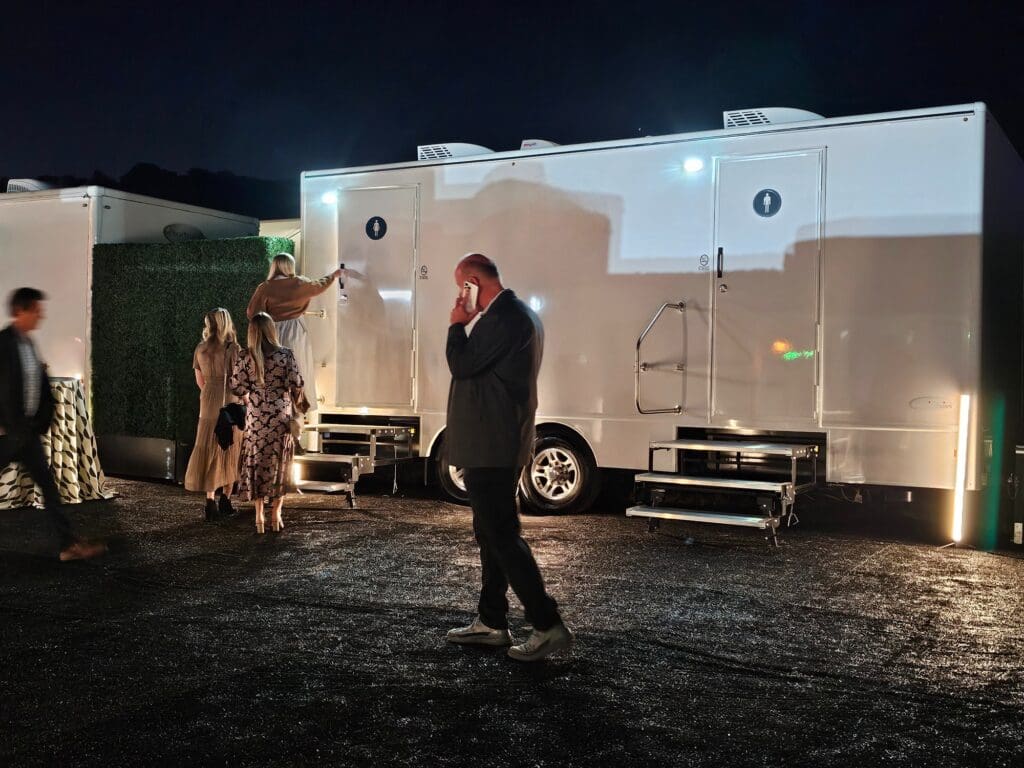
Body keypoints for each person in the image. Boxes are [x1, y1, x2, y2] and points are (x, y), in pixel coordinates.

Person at [444, 254, 572, 662]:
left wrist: (456, 325)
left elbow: (461, 364)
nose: (460, 296)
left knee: (501, 534)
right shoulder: (518, 315)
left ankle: (547, 623)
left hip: (492, 444)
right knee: (491, 533)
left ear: (473, 282)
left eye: (462, 287)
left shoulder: (504, 317)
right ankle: (492, 620)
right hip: (497, 441)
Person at [0, 288, 106, 561]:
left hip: (26, 433)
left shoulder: (27, 344)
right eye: (36, 310)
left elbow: (36, 386)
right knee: (48, 486)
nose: (41, 315)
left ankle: (68, 545)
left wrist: (39, 421)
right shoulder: (4, 344)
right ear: (20, 311)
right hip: (7, 433)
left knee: (48, 486)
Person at [231, 312, 304, 534]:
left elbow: (237, 387)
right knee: (279, 464)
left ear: (252, 332)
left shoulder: (245, 356)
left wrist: (253, 394)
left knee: (257, 462)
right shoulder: (285, 355)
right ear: (272, 330)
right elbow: (297, 383)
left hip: (255, 418)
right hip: (280, 417)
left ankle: (259, 516)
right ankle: (276, 514)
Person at [246, 253, 341, 411]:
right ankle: (299, 408)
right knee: (299, 368)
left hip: (272, 331)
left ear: (274, 266)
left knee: (274, 370)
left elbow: (252, 313)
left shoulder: (265, 287)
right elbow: (318, 285)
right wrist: (333, 276)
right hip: (296, 331)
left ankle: (275, 408)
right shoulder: (299, 283)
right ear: (290, 266)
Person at [183, 308, 243, 521]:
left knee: (209, 447)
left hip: (207, 401)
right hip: (229, 401)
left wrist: (210, 393)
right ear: (226, 323)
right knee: (230, 447)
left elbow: (200, 382)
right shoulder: (233, 348)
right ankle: (226, 499)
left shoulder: (200, 349)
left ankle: (210, 501)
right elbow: (238, 381)